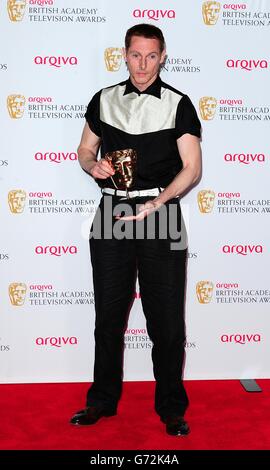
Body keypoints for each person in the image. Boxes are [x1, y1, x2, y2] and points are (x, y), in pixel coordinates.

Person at [70, 23, 202, 436]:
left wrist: (157, 203)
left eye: (151, 55)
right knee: (108, 315)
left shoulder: (179, 104)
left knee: (166, 319)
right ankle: (101, 402)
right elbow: (85, 148)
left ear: (163, 57)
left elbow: (193, 168)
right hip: (111, 212)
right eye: (135, 55)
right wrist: (93, 165)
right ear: (123, 55)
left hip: (161, 214)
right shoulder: (104, 99)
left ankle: (171, 408)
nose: (142, 64)